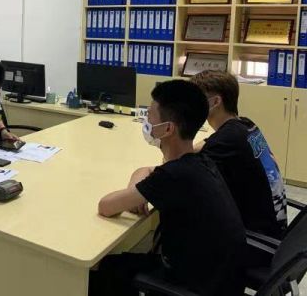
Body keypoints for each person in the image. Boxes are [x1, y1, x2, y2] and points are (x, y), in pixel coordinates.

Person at [90, 80, 245, 296]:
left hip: (194, 284)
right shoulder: (199, 161)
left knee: (106, 268)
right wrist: (138, 191)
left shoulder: (173, 176)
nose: (146, 121)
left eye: (150, 116)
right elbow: (145, 170)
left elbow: (106, 206)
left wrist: (134, 194)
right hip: (218, 277)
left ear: (168, 129)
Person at [190, 70, 287, 239]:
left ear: (215, 102)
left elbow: (182, 171)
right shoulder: (245, 124)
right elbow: (210, 142)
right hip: (274, 226)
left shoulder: (226, 141)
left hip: (257, 239)